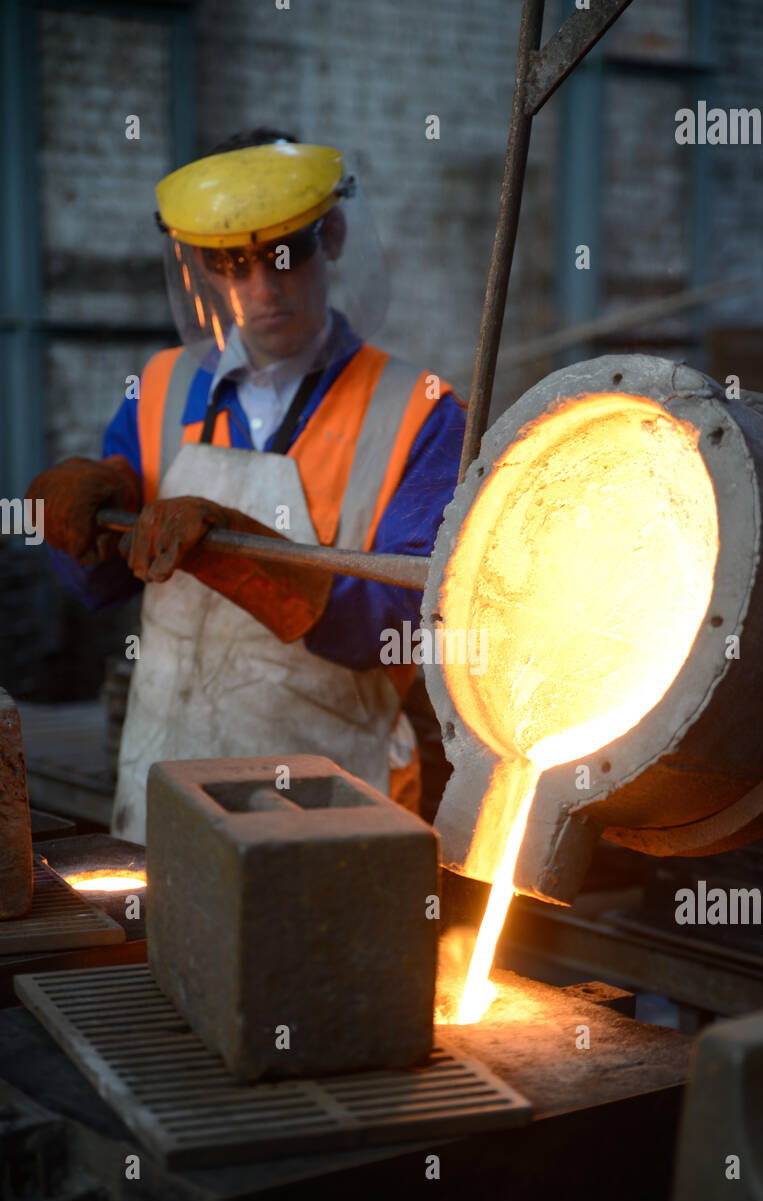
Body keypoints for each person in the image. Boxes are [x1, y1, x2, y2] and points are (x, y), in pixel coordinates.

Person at [27, 130, 464, 844]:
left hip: (336, 813)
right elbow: (96, 590)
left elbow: (404, 627)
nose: (264, 289)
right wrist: (80, 523)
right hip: (166, 796)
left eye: (287, 255)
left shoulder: (417, 413)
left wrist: (242, 556)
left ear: (336, 235)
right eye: (232, 264)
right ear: (199, 267)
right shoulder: (160, 392)